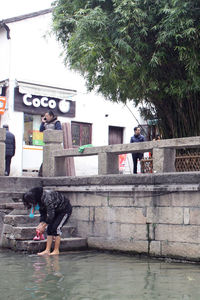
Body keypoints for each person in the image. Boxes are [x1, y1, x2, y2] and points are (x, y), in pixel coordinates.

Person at [22, 186, 72, 255]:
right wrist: (40, 225)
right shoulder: (39, 200)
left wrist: (43, 226)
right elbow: (43, 214)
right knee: (49, 229)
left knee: (56, 228)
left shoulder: (47, 198)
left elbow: (50, 215)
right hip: (55, 210)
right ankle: (47, 250)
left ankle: (56, 250)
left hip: (64, 210)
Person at [38, 110, 62, 176]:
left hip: (55, 144)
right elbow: (40, 130)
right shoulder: (46, 123)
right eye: (45, 116)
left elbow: (59, 131)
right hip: (47, 144)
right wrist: (42, 123)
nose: (46, 117)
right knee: (46, 159)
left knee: (52, 160)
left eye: (47, 116)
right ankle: (41, 174)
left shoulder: (56, 122)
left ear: (51, 116)